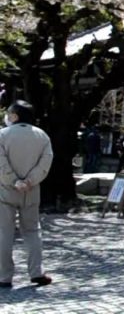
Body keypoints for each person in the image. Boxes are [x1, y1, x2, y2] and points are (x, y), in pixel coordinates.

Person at [0, 100, 54, 287]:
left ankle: (4, 276)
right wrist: (30, 180)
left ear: (14, 116)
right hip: (31, 190)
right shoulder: (42, 136)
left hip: (5, 190)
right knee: (32, 231)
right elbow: (45, 163)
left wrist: (14, 180)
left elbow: (1, 162)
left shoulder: (3, 135)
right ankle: (36, 272)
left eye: (9, 113)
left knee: (4, 232)